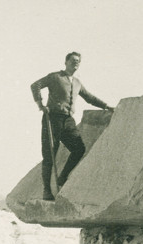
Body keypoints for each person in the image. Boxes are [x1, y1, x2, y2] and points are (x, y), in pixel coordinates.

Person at [31, 52, 114, 200]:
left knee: (79, 149)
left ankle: (62, 178)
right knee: (50, 154)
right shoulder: (55, 77)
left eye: (78, 61)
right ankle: (46, 191)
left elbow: (89, 98)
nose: (75, 63)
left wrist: (107, 106)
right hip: (52, 118)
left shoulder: (77, 82)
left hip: (68, 120)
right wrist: (40, 104)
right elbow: (35, 85)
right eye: (73, 61)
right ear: (66, 62)